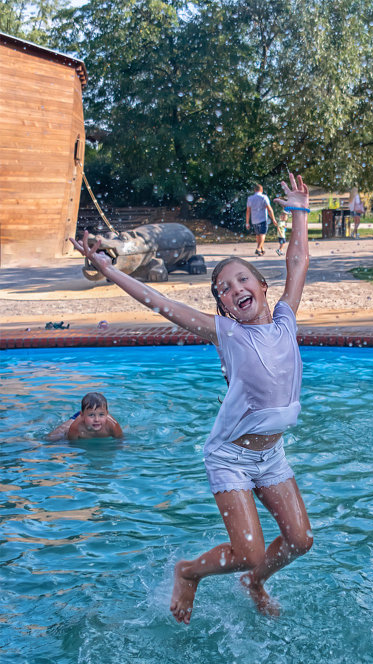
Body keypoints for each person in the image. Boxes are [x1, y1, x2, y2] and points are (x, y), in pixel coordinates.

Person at [70, 174, 313, 625]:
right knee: (247, 550)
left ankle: (254, 581)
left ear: (262, 286)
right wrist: (108, 270)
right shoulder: (228, 335)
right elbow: (158, 302)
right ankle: (188, 573)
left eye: (242, 279)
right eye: (222, 288)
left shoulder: (285, 319)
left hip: (272, 456)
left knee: (300, 540)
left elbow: (297, 260)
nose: (233, 288)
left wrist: (298, 212)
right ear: (222, 307)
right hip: (231, 458)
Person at [46, 392, 123, 441]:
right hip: (77, 419)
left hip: (86, 415)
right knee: (51, 438)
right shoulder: (75, 427)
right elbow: (72, 445)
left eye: (101, 415)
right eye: (92, 415)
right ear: (82, 415)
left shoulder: (113, 425)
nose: (96, 419)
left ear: (107, 414)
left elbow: (121, 442)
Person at [245, 183, 278, 256]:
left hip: (254, 219)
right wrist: (273, 219)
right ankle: (258, 248)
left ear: (254, 190)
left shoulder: (250, 198)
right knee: (263, 234)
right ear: (262, 190)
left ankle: (261, 249)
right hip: (263, 219)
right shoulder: (264, 197)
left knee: (258, 234)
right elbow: (269, 209)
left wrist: (247, 222)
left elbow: (248, 211)